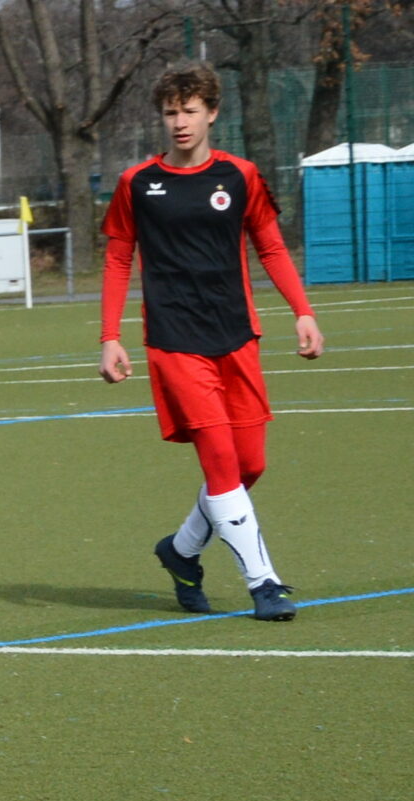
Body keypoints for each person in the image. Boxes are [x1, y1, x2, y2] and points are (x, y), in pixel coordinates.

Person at [100, 60, 321, 623]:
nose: (179, 122)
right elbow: (119, 257)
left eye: (190, 111)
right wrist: (110, 336)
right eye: (170, 112)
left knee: (250, 465)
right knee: (221, 462)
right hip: (175, 340)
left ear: (212, 113)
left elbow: (270, 246)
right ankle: (263, 584)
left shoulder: (240, 175)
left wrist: (302, 311)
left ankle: (180, 550)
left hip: (236, 334)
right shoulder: (136, 183)